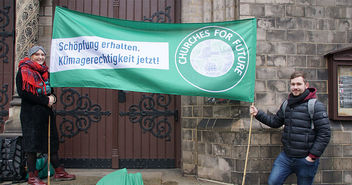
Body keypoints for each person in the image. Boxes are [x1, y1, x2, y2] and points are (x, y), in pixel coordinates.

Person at [249, 71, 331, 185]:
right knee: (273, 182)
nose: (295, 87)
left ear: (306, 85)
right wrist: (258, 114)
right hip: (286, 157)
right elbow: (275, 122)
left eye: (298, 84)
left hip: (306, 159)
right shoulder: (286, 104)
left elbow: (325, 133)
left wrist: (312, 157)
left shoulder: (316, 106)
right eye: (293, 84)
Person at [16, 46, 76, 185]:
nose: (40, 57)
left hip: (46, 113)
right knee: (32, 145)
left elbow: (51, 91)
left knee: (52, 142)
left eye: (43, 54)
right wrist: (45, 100)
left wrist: (53, 98)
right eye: (37, 54)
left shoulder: (45, 73)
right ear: (31, 56)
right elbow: (23, 93)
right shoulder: (23, 71)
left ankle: (59, 171)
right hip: (31, 115)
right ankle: (32, 176)